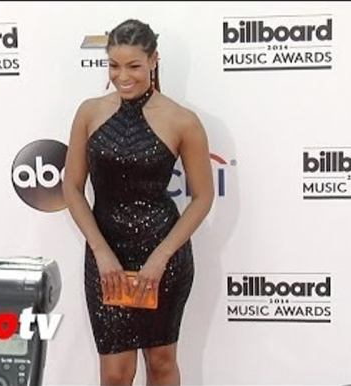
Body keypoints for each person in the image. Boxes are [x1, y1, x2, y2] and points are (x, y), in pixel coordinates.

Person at [63, 19, 214, 386]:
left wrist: (161, 258)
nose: (122, 76)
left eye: (133, 65)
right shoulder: (89, 112)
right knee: (115, 372)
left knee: (161, 362)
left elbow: (203, 197)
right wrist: (100, 251)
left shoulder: (183, 120)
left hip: (164, 255)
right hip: (105, 255)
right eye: (114, 65)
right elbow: (71, 187)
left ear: (153, 60)